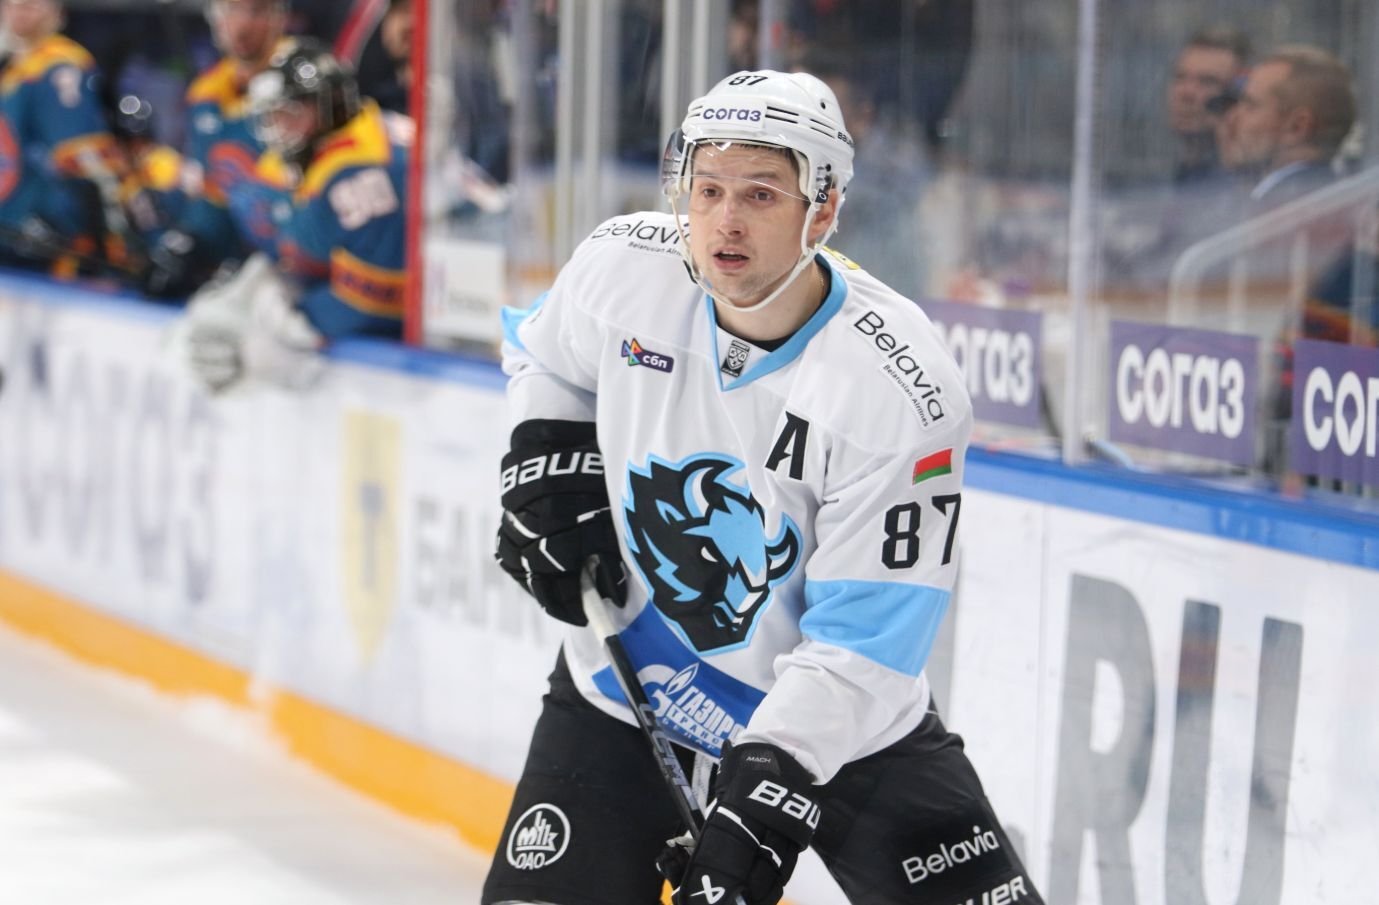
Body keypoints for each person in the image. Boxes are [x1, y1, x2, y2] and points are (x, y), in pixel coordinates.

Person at [486, 70, 1043, 905]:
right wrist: (545, 460)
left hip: (840, 725)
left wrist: (765, 791)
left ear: (822, 210)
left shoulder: (899, 388)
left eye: (759, 194)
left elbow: (864, 643)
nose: (725, 220)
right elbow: (546, 359)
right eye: (707, 189)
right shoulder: (621, 266)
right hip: (633, 680)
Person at [248, 37, 408, 340]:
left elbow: (375, 307)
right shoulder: (378, 124)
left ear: (330, 107)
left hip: (411, 321)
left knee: (273, 331)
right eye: (273, 115)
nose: (279, 126)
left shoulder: (347, 173)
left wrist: (305, 310)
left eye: (290, 113)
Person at [142, 0, 291, 298]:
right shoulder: (205, 92)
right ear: (214, 19)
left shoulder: (306, 82)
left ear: (279, 17)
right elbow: (206, 187)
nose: (243, 24)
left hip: (288, 260)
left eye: (256, 11)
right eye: (231, 10)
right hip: (228, 260)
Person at [0, 0, 154, 275]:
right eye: (11, 3)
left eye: (31, 4)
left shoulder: (61, 65)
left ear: (56, 13)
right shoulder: (12, 66)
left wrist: (73, 225)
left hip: (46, 236)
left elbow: (82, 160)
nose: (19, 9)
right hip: (11, 223)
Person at [1166, 27, 1250, 186]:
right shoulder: (1170, 172)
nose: (1186, 93)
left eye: (1207, 81)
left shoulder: (1239, 182)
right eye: (1180, 77)